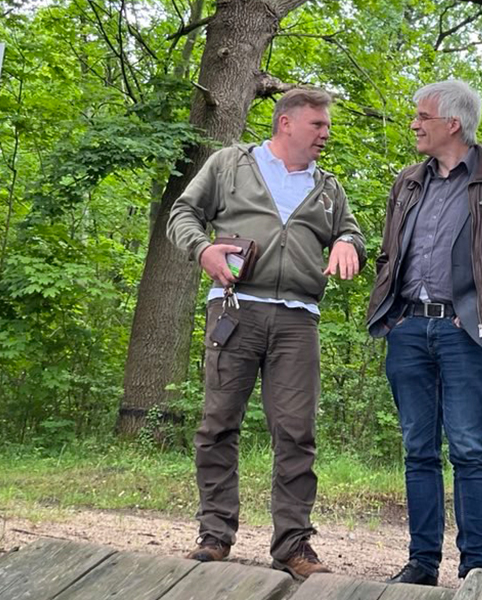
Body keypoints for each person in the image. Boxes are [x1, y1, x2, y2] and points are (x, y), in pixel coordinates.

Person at [167, 87, 365, 580]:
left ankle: (293, 546)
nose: (326, 133)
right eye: (318, 125)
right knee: (218, 423)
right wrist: (203, 251)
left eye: (326, 125)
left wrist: (345, 242)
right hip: (236, 310)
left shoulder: (328, 188)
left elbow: (354, 232)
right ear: (286, 124)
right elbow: (182, 214)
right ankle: (214, 536)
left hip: (298, 318)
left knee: (297, 432)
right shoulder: (230, 165)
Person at [366, 80, 482, 585]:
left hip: (463, 333)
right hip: (408, 328)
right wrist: (393, 314)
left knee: (467, 449)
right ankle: (422, 564)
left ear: (453, 124)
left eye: (422, 116)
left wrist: (481, 315)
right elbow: (389, 253)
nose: (415, 124)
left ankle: (473, 568)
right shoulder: (408, 182)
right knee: (418, 448)